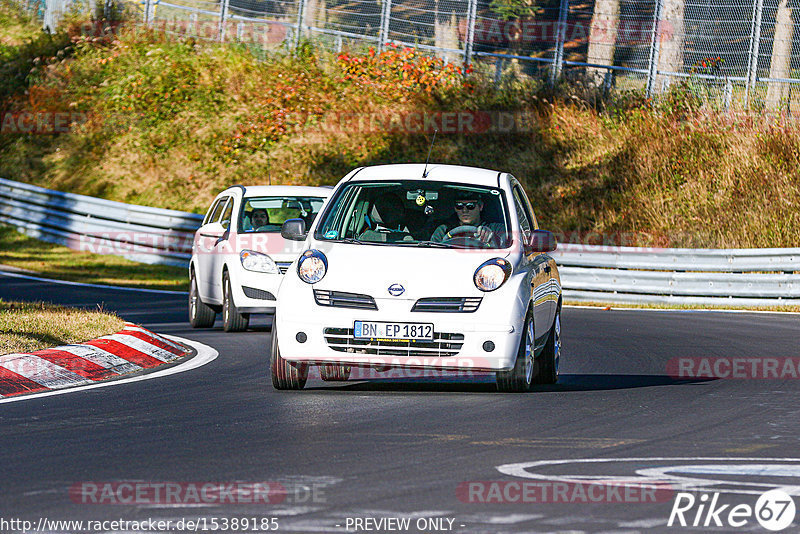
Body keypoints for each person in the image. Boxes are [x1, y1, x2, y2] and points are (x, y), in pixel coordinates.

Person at [430, 197, 504, 246]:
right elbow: (432, 254)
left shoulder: (496, 228)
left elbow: (506, 250)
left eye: (470, 206)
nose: (465, 210)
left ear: (480, 206)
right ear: (455, 208)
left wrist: (492, 237)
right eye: (459, 206)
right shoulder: (443, 230)